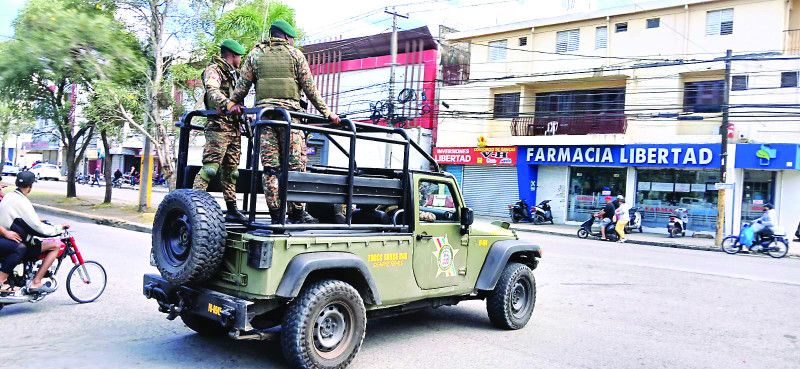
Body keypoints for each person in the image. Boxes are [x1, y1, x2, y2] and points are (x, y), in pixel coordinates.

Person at [228, 20, 341, 224]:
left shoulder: (255, 55)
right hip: (290, 121)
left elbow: (241, 88)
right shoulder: (295, 55)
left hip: (264, 120)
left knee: (270, 168)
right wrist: (328, 113)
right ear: (287, 37)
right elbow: (310, 90)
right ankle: (297, 213)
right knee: (295, 166)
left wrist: (233, 103)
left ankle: (275, 215)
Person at [192, 39, 248, 223]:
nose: (240, 59)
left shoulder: (235, 73)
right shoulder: (214, 70)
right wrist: (228, 104)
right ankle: (194, 205)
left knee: (232, 172)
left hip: (233, 127)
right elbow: (212, 92)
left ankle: (232, 209)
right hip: (218, 126)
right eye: (239, 56)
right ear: (232, 55)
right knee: (210, 169)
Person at [0, 171, 69, 293]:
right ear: (30, 187)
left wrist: (37, 220)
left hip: (7, 237)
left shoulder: (10, 196)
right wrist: (58, 228)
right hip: (8, 238)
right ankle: (35, 282)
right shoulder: (20, 200)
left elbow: (18, 217)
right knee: (55, 245)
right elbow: (36, 227)